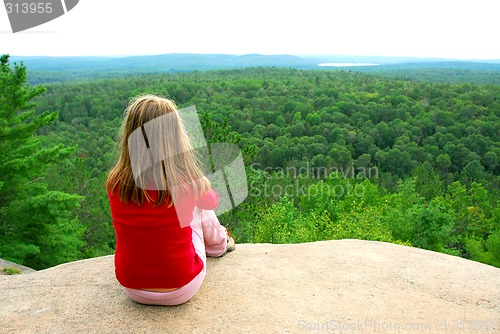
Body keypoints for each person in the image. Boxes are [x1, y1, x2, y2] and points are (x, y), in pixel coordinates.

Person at [106, 94, 235, 306]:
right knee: (199, 207)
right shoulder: (186, 182)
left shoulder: (116, 182)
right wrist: (200, 183)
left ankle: (218, 243)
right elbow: (212, 202)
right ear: (174, 135)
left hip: (133, 287)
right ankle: (220, 245)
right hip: (181, 287)